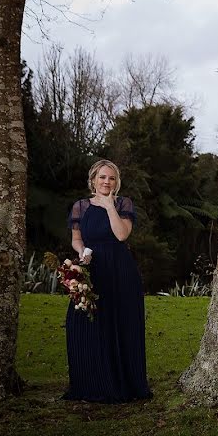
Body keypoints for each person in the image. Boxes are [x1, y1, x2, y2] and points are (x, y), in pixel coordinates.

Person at [63, 159, 151, 403]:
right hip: (92, 268)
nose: (106, 182)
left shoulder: (123, 203)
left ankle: (124, 383)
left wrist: (110, 205)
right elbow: (76, 238)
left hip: (120, 271)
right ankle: (90, 382)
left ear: (117, 182)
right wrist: (82, 253)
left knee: (120, 323)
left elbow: (121, 234)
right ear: (93, 180)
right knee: (81, 322)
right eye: (102, 177)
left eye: (111, 178)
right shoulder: (80, 206)